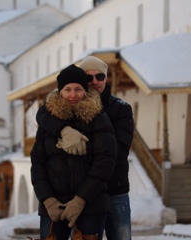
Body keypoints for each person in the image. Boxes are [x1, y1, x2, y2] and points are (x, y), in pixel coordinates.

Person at [30, 64, 117, 240]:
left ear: (85, 91)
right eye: (67, 89)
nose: (72, 94)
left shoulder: (98, 118)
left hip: (91, 205)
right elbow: (37, 162)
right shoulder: (48, 121)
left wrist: (80, 200)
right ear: (60, 92)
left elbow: (105, 161)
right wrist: (48, 200)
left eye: (78, 89)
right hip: (54, 207)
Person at [78, 56, 134, 240]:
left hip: (114, 191)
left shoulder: (121, 109)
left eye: (100, 76)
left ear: (106, 78)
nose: (95, 81)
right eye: (88, 77)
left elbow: (118, 152)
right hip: (85, 194)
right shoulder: (73, 108)